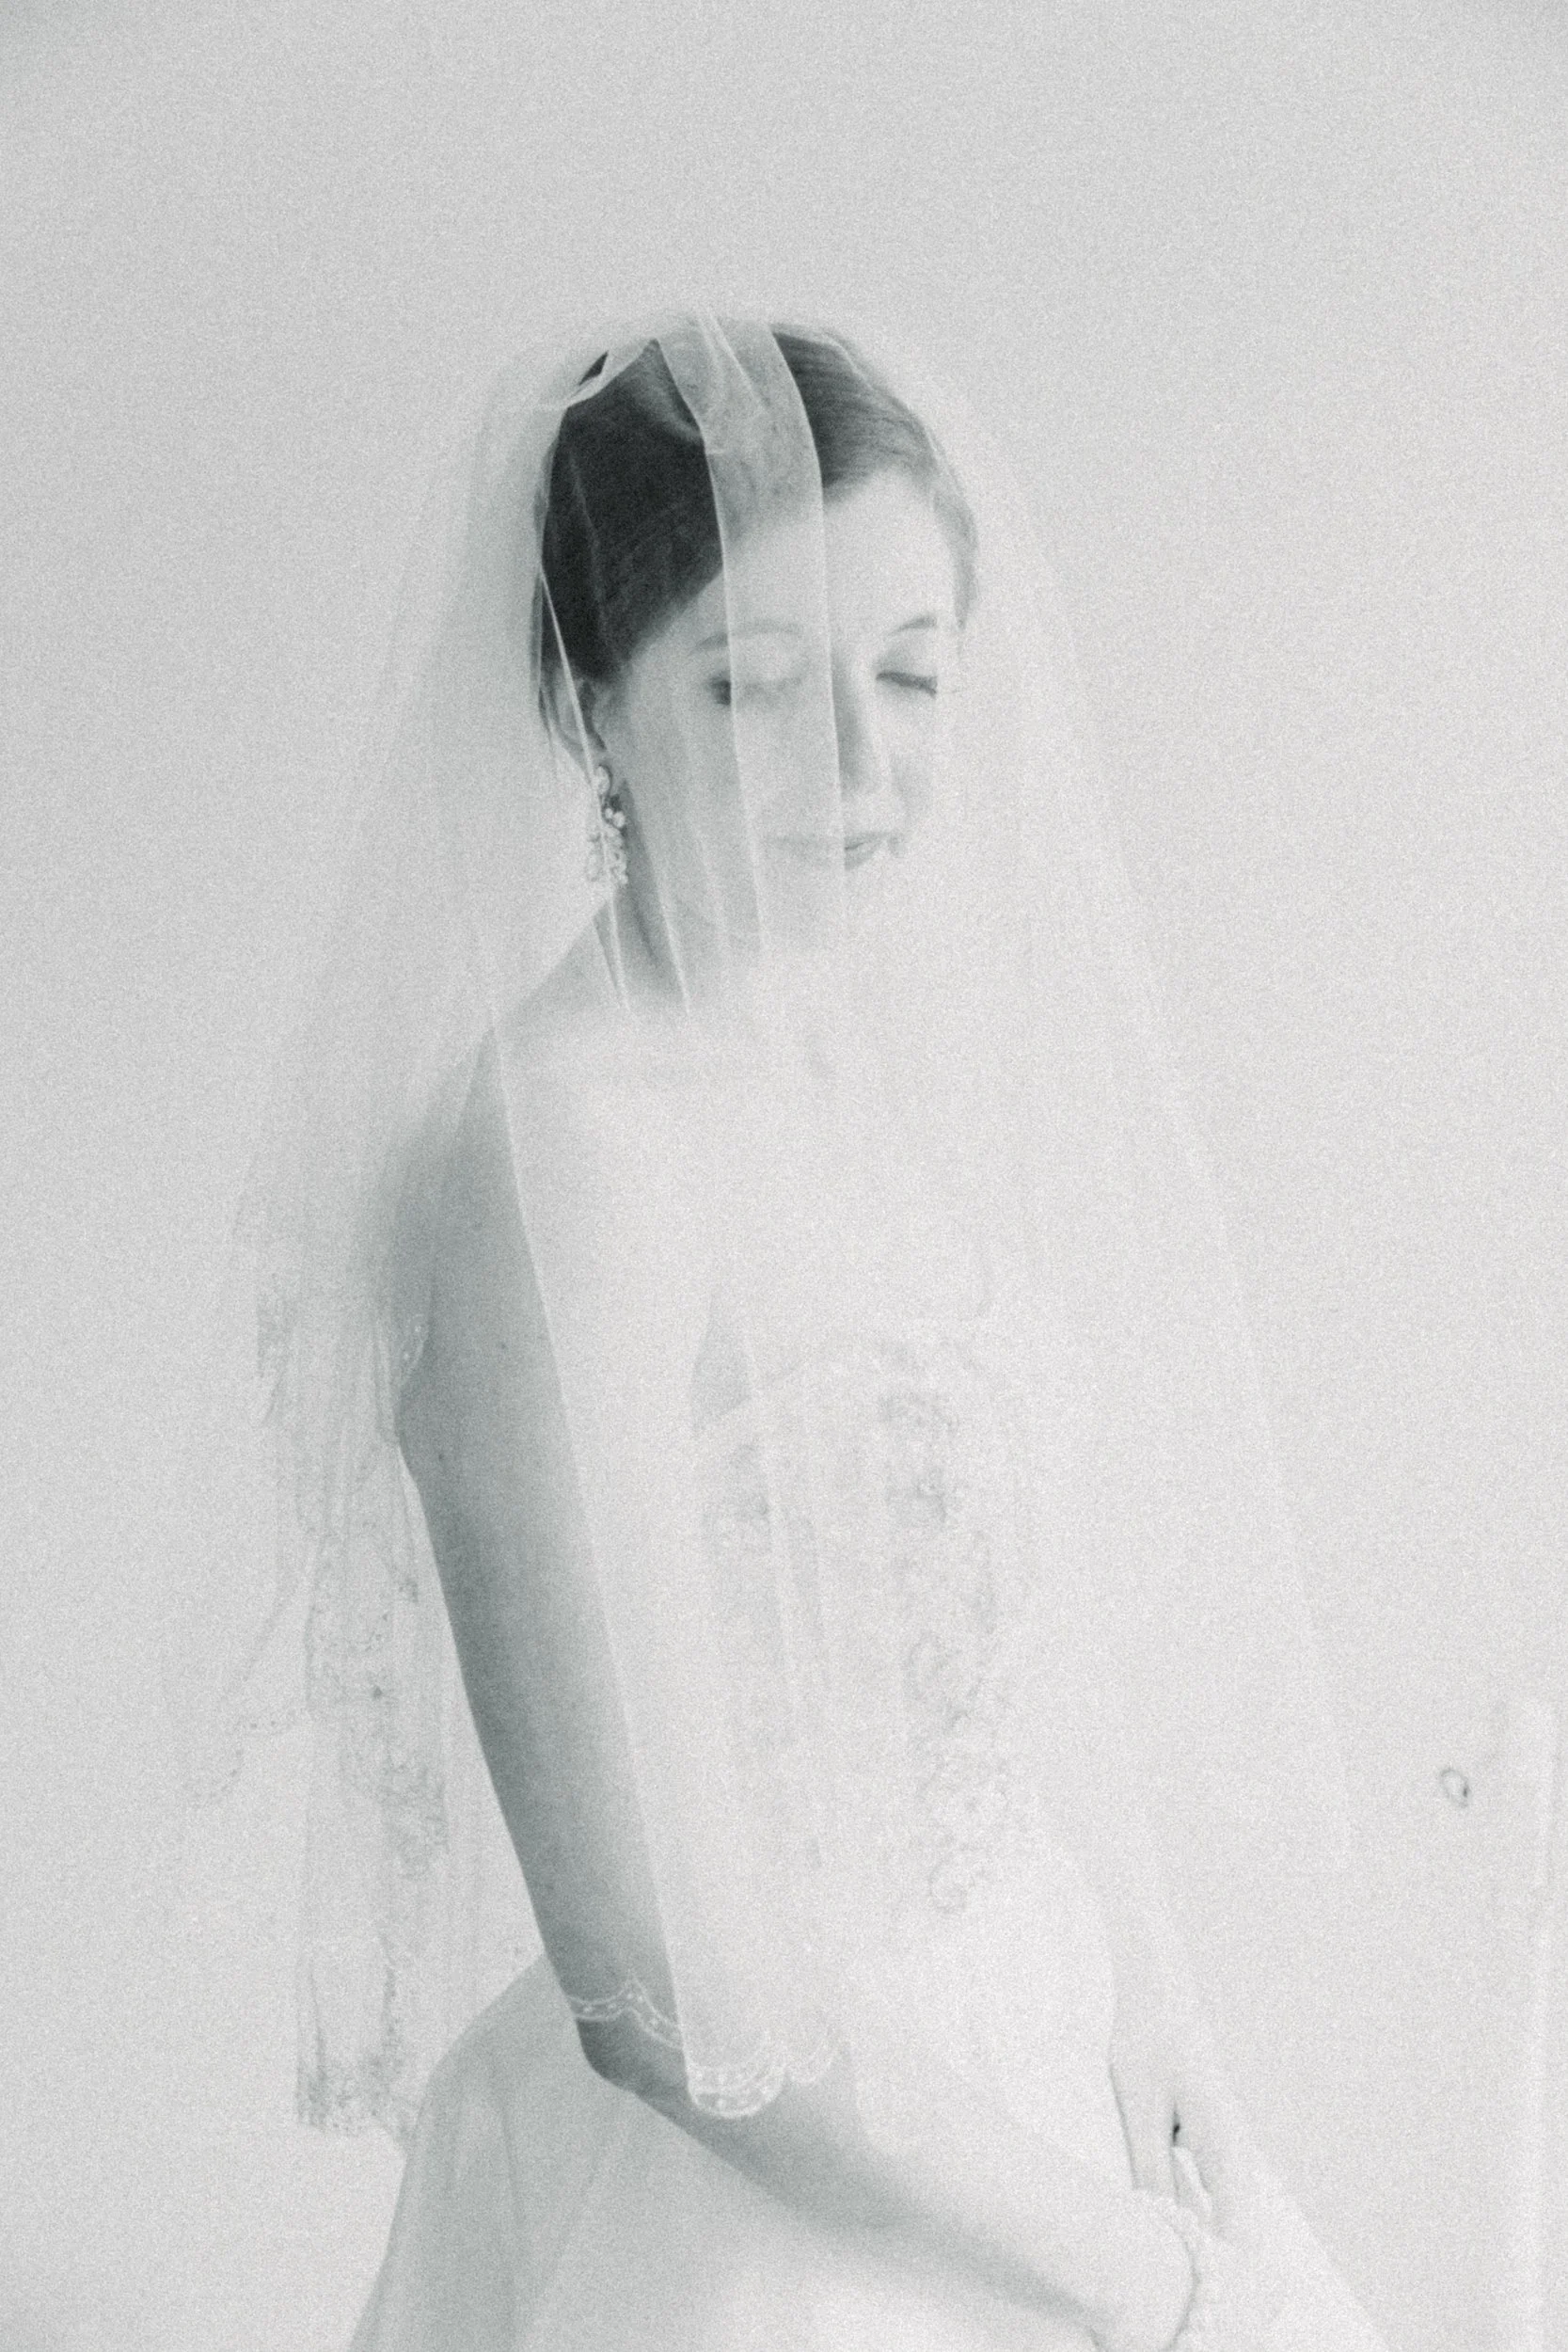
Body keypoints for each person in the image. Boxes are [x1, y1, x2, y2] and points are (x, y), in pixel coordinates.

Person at [170, 315, 1393, 2350]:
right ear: (589, 703)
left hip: (1034, 2084)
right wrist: (1157, 2291)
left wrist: (1153, 2004)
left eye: (908, 675)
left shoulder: (826, 1058)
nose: (863, 769)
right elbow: (663, 1986)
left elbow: (994, 1620)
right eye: (750, 687)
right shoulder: (557, 1161)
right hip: (772, 2193)